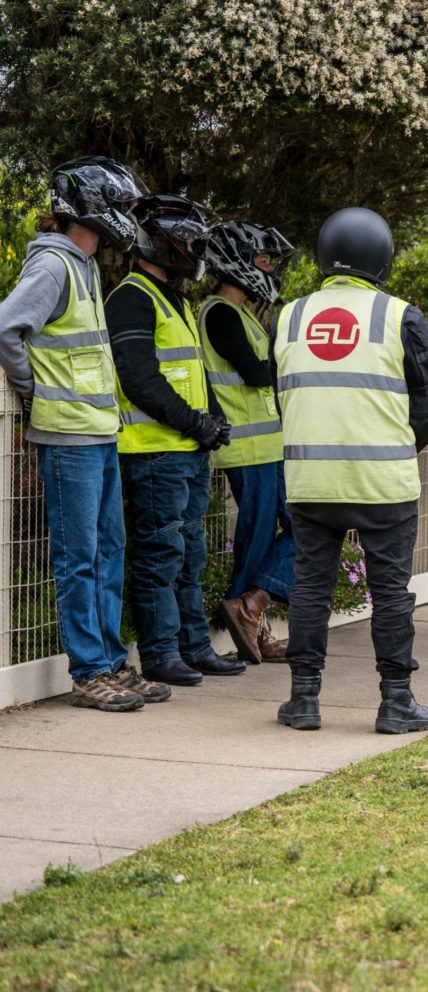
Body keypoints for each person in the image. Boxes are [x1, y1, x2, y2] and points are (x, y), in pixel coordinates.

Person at [0, 157, 169, 711]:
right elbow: (6, 328)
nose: (125, 217)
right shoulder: (53, 265)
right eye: (118, 206)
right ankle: (90, 671)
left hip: (98, 434)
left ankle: (112, 663)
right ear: (90, 209)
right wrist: (33, 390)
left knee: (108, 552)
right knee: (80, 558)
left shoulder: (85, 265)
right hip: (68, 436)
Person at [273, 207, 428, 734]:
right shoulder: (399, 316)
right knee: (390, 592)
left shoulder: (289, 316)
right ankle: (396, 702)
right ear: (382, 259)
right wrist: (399, 447)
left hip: (311, 482)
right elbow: (427, 404)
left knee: (310, 588)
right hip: (382, 484)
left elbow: (285, 395)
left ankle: (303, 699)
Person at [108, 193, 246, 687]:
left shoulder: (176, 300)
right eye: (189, 242)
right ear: (163, 243)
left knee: (190, 556)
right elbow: (140, 380)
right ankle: (161, 654)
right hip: (155, 453)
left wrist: (213, 418)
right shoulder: (130, 298)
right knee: (160, 557)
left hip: (186, 451)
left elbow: (190, 371)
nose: (195, 251)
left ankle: (193, 647)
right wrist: (195, 423)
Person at [202, 221, 297, 663]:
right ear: (236, 262)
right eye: (263, 259)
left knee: (303, 526)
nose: (270, 268)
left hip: (267, 447)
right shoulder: (220, 313)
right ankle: (249, 614)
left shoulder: (241, 314)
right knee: (258, 538)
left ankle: (250, 606)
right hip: (247, 448)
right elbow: (258, 374)